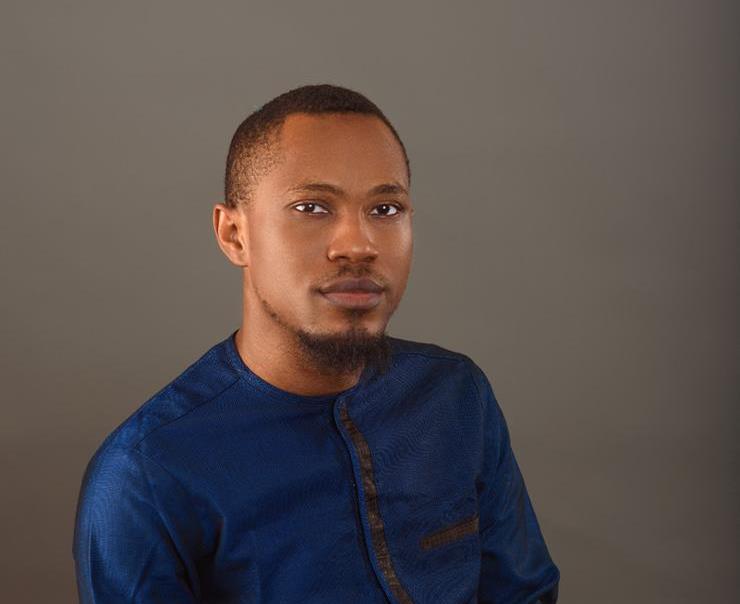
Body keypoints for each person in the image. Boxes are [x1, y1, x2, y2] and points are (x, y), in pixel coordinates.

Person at [72, 84, 560, 604]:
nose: (358, 245)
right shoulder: (145, 475)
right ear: (234, 235)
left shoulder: (456, 396)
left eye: (386, 209)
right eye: (312, 207)